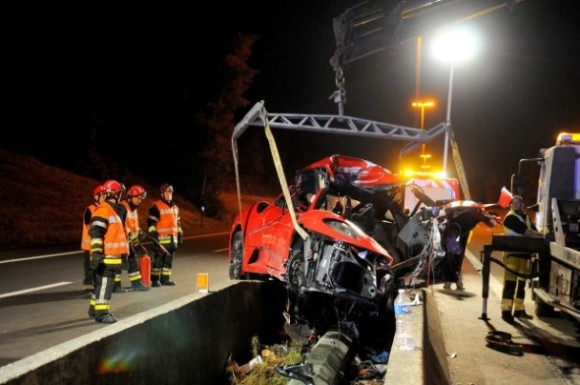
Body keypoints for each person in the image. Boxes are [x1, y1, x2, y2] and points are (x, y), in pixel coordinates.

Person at [88, 179, 128, 323]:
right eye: (120, 193)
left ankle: (93, 310)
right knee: (105, 283)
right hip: (106, 256)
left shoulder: (116, 210)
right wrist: (97, 253)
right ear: (116, 193)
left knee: (100, 283)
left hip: (113, 255)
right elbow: (96, 232)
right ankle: (102, 313)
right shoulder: (104, 209)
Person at [501, 194, 543, 324]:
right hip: (512, 256)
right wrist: (543, 236)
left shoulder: (524, 217)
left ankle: (519, 310)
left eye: (520, 202)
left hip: (523, 256)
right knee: (510, 283)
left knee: (521, 283)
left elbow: (534, 230)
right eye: (515, 202)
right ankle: (506, 312)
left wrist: (541, 234)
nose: (518, 204)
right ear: (511, 204)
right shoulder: (510, 218)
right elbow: (528, 232)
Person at [147, 183, 183, 287]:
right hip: (160, 240)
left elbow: (178, 223)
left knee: (168, 262)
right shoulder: (156, 206)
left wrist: (180, 233)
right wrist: (153, 233)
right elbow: (151, 222)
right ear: (162, 193)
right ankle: (154, 280)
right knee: (157, 262)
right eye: (167, 192)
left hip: (172, 240)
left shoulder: (175, 207)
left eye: (170, 192)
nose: (169, 194)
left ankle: (165, 279)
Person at [116, 184, 150, 292]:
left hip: (129, 241)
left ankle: (136, 284)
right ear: (130, 197)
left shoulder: (134, 209)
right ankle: (115, 287)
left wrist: (139, 232)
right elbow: (121, 224)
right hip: (120, 241)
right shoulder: (122, 207)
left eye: (141, 199)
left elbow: (134, 225)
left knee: (132, 262)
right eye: (138, 198)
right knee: (118, 264)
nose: (139, 201)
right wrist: (131, 235)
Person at [80, 184, 105, 297]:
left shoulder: (104, 209)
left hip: (100, 244)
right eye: (103, 195)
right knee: (90, 267)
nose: (105, 197)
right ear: (96, 196)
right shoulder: (90, 210)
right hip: (90, 245)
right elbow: (90, 227)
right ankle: (88, 289)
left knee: (99, 266)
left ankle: (96, 286)